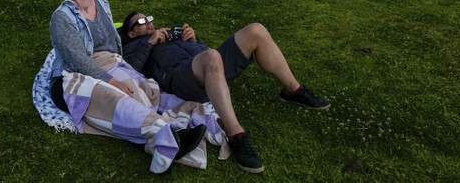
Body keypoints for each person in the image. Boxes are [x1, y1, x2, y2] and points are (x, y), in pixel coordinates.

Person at [48, 0, 215, 172]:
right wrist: (112, 80)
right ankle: (165, 136)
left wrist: (125, 63)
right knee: (117, 97)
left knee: (146, 90)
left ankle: (184, 124)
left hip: (111, 61)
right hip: (72, 76)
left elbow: (113, 38)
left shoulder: (100, 1)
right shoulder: (62, 17)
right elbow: (76, 60)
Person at [120, 12, 330, 174]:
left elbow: (200, 52)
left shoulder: (168, 34)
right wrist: (149, 42)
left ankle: (293, 90)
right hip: (179, 78)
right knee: (211, 57)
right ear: (131, 33)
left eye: (148, 18)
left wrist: (194, 40)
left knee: (255, 30)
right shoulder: (133, 45)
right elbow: (130, 68)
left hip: (209, 67)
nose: (147, 22)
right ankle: (236, 135)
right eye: (140, 23)